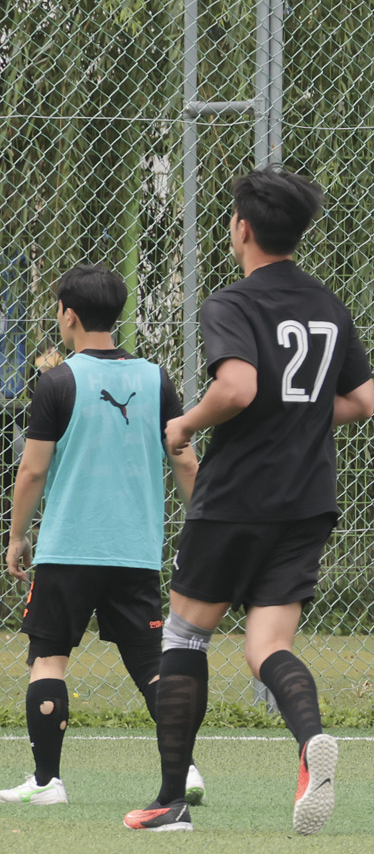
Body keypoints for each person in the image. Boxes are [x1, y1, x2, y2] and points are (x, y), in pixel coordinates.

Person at [124, 168, 374, 833]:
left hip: (237, 496)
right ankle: (310, 741)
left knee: (186, 632)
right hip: (307, 499)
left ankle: (171, 800)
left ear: (241, 229)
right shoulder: (327, 304)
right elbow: (361, 401)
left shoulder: (231, 304)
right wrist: (299, 414)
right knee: (268, 643)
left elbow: (236, 387)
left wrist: (185, 425)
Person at [4, 265, 201, 806]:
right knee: (151, 663)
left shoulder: (58, 382)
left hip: (69, 548)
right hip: (135, 550)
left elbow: (32, 471)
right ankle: (185, 770)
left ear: (68, 315)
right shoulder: (156, 379)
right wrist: (203, 525)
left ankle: (47, 782)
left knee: (48, 659)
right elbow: (185, 460)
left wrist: (17, 535)